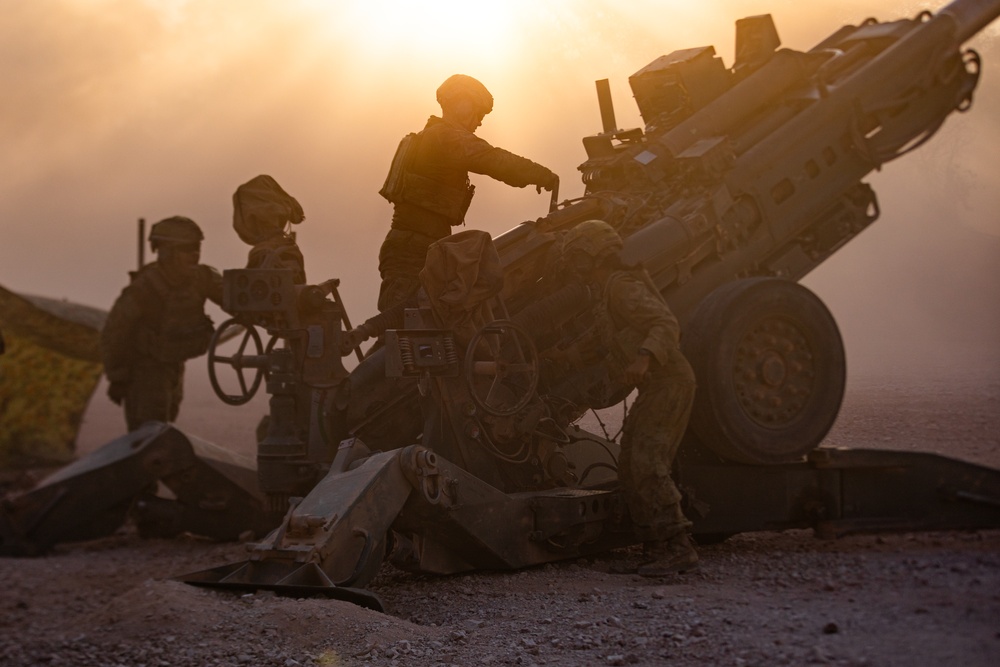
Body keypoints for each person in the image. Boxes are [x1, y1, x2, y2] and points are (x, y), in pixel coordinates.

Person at [558, 220, 699, 576]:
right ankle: (655, 548)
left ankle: (679, 548)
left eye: (577, 257)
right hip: (656, 387)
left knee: (648, 461)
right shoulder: (607, 294)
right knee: (629, 467)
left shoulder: (621, 287)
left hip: (670, 381)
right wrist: (556, 358)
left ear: (593, 253)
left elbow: (665, 323)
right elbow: (592, 345)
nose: (575, 266)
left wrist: (643, 358)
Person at [376, 73, 559, 312]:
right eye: (478, 112)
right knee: (407, 329)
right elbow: (494, 159)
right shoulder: (446, 138)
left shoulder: (429, 137)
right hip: (413, 252)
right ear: (459, 103)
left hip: (420, 248)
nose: (479, 121)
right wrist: (540, 174)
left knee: (419, 330)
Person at [101, 216, 223, 431]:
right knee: (148, 435)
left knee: (163, 428)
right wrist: (118, 377)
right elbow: (115, 333)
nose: (195, 254)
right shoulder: (144, 289)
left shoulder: (201, 279)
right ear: (166, 252)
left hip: (174, 366)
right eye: (187, 248)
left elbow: (234, 298)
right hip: (146, 371)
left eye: (197, 247)